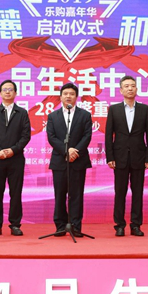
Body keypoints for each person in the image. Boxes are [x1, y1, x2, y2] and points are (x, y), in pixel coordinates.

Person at [105, 75, 148, 237]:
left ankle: (136, 225)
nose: (130, 88)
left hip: (139, 157)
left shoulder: (145, 109)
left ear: (137, 89)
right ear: (121, 90)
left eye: (132, 86)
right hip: (119, 157)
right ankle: (119, 225)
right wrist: (110, 157)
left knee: (138, 192)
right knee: (120, 192)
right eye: (126, 86)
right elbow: (108, 135)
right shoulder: (114, 109)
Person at [0, 80, 31, 236]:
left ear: (15, 93)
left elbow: (26, 136)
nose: (8, 92)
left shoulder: (22, 113)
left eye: (11, 89)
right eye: (5, 89)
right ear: (0, 93)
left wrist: (13, 150)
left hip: (16, 159)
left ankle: (15, 224)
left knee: (15, 193)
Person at [46, 83, 92, 237]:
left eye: (71, 94)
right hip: (59, 161)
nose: (68, 96)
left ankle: (75, 226)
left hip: (78, 160)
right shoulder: (53, 116)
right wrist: (66, 151)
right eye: (65, 94)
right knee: (59, 195)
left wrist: (75, 151)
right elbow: (51, 137)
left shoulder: (84, 115)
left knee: (76, 195)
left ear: (76, 97)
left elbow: (87, 136)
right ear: (60, 97)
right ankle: (60, 225)